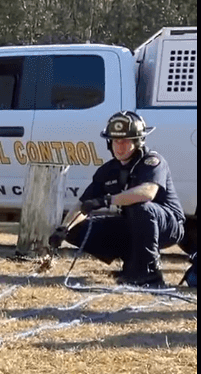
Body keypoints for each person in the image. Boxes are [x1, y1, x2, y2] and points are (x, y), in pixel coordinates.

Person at [62, 111, 185, 288]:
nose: (119, 146)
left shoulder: (152, 161)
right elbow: (83, 205)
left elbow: (147, 193)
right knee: (75, 229)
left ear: (138, 141)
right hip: (132, 223)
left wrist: (107, 200)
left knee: (140, 208)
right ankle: (132, 264)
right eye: (115, 141)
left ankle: (149, 274)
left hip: (168, 226)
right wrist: (63, 229)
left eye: (125, 141)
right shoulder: (108, 170)